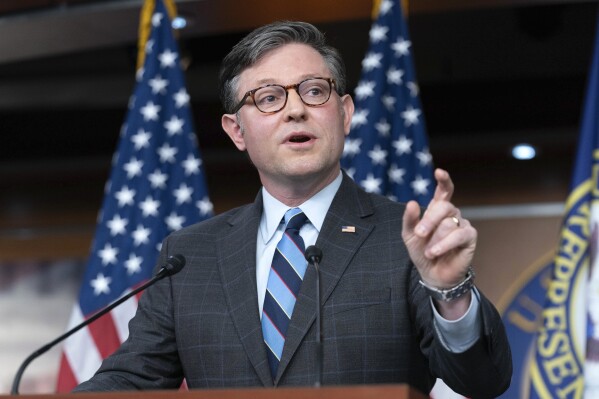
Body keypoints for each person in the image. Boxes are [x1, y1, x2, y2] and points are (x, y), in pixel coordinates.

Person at [74, 21, 512, 397]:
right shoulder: (189, 256)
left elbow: (483, 380)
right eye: (268, 98)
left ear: (344, 113)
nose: (296, 110)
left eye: (314, 91)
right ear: (237, 130)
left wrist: (450, 294)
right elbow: (131, 380)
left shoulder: (405, 236)